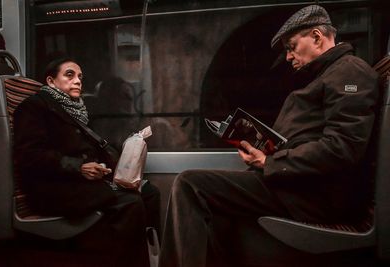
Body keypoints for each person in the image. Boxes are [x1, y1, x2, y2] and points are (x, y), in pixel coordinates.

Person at [158, 5, 378, 267]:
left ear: (317, 37)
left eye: (292, 46)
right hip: (298, 186)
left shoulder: (350, 72)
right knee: (215, 208)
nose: (288, 56)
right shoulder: (326, 75)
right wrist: (269, 149)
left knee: (189, 185)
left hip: (313, 195)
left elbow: (342, 147)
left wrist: (270, 162)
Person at [13, 58, 160, 267]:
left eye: (80, 77)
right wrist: (79, 167)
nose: (78, 81)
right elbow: (31, 155)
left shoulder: (74, 110)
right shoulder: (33, 108)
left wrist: (116, 167)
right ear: (51, 81)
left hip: (77, 182)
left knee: (149, 193)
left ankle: (153, 258)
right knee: (130, 202)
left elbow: (86, 149)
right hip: (53, 188)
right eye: (69, 75)